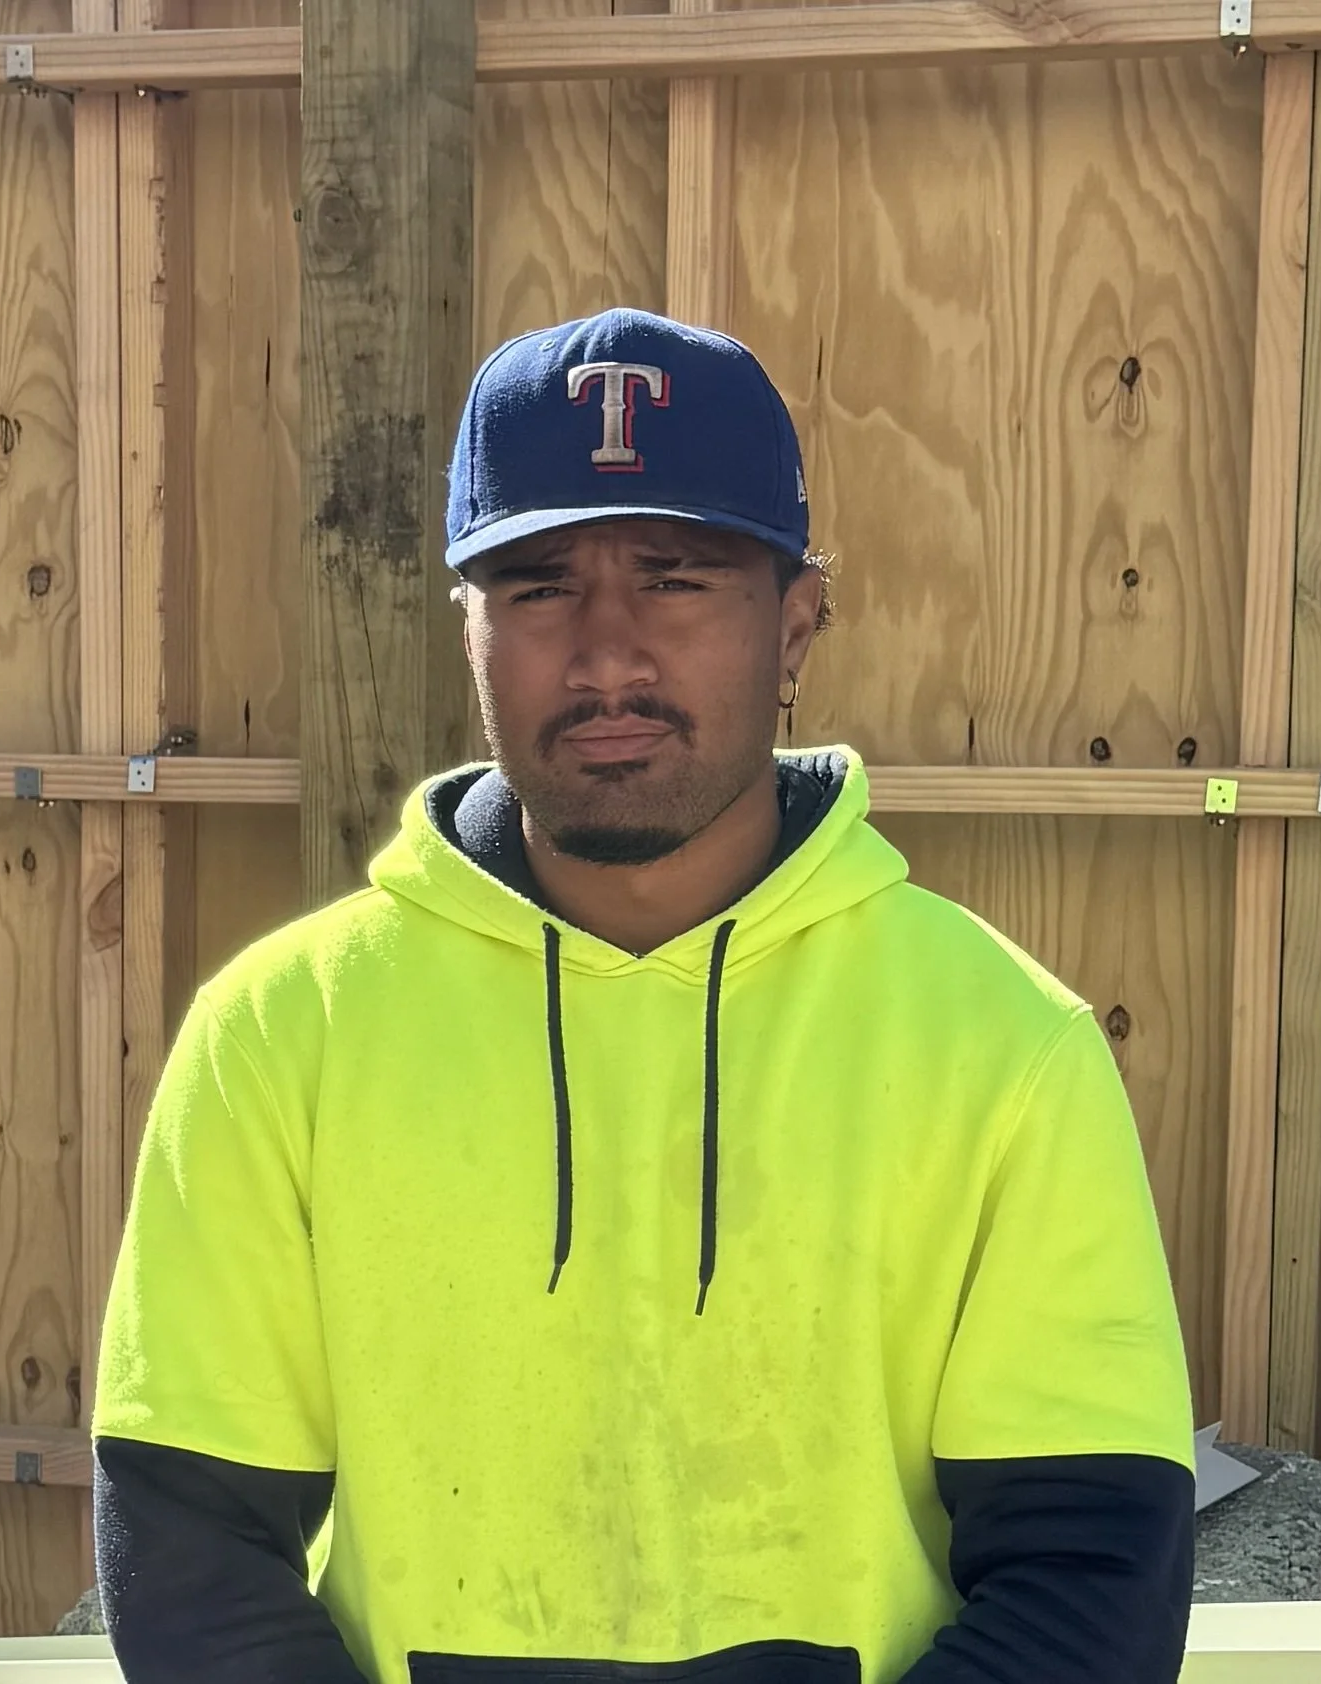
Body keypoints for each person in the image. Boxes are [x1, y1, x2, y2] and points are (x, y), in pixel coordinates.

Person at [90, 308, 1197, 1684]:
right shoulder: (277, 1036)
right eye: (539, 586)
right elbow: (190, 1552)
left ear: (797, 627)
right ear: (469, 631)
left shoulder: (1001, 1043)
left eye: (676, 579)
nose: (607, 654)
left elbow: (1088, 1571)